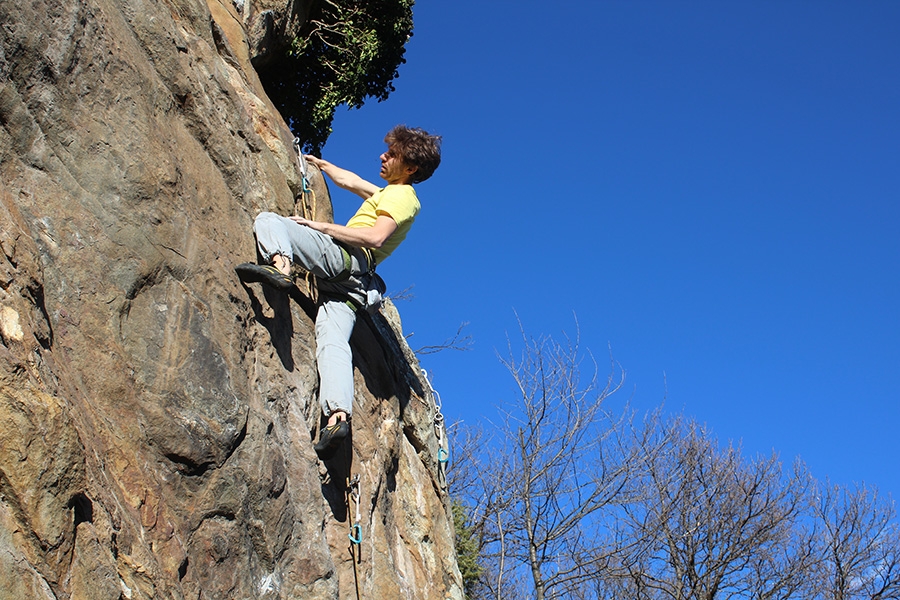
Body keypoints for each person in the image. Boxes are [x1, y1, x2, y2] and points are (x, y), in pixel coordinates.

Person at [236, 125, 442, 459]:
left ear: (410, 168)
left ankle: (281, 267)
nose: (382, 156)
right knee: (332, 343)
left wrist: (319, 227)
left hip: (344, 258)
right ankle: (337, 416)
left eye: (391, 154)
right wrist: (320, 164)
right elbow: (351, 182)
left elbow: (375, 237)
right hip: (353, 285)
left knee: (270, 221)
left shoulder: (402, 197)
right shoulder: (389, 193)